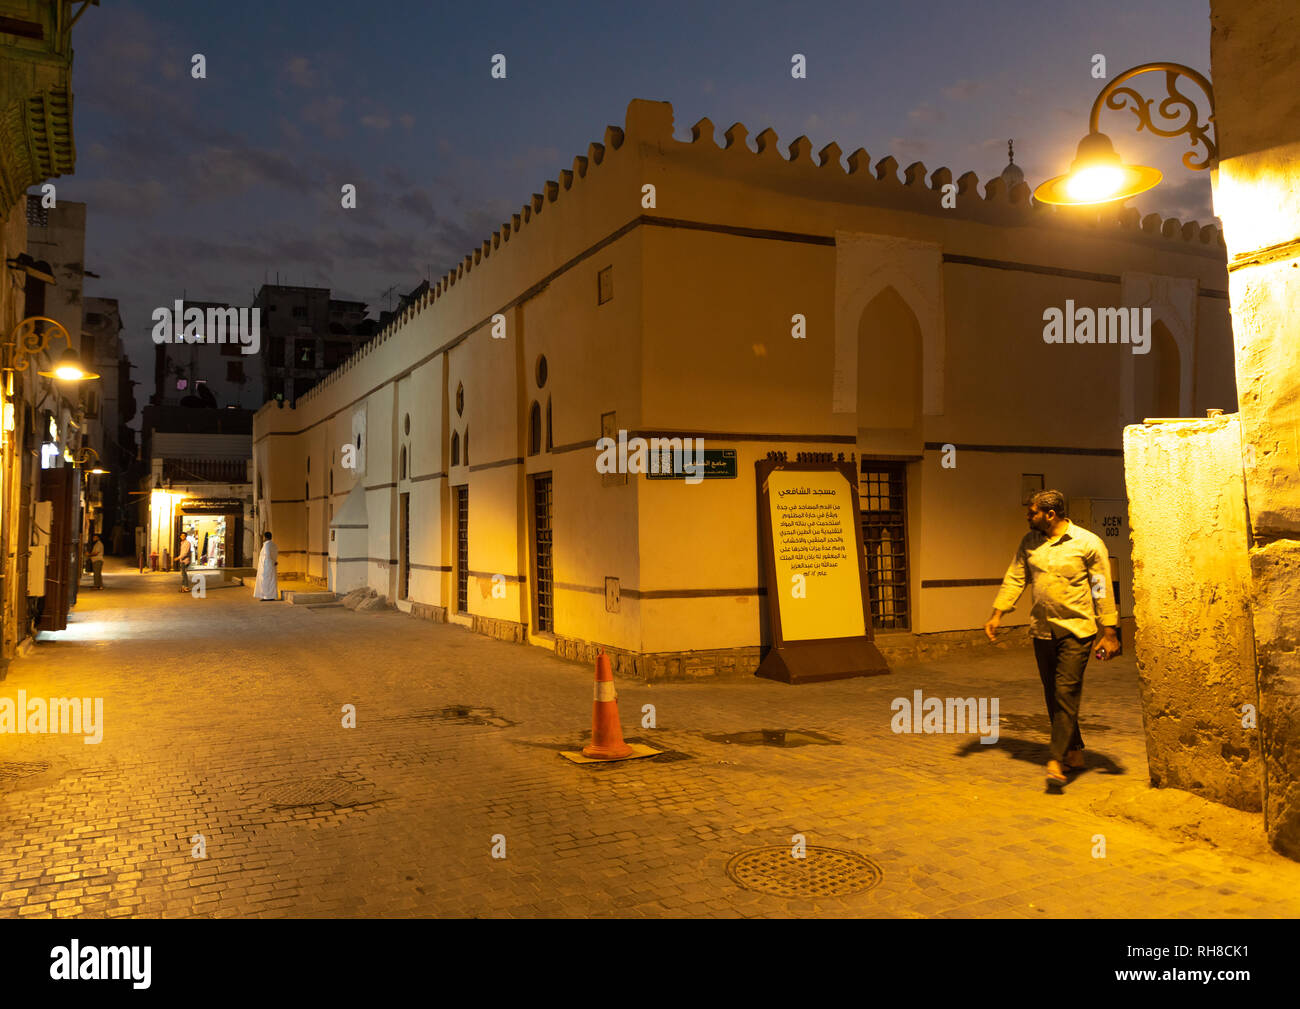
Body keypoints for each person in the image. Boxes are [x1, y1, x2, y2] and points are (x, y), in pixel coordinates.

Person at [984, 489, 1120, 788]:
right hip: (1042, 630)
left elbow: (1100, 587)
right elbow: (1015, 577)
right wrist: (997, 614)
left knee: (1065, 693)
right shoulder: (1029, 542)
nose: (1027, 517)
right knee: (1052, 693)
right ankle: (1075, 752)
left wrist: (1108, 630)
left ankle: (1055, 759)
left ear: (1050, 514)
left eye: (1031, 512)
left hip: (1077, 630)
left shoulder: (1087, 543)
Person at [253, 530, 278, 601]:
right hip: (272, 564)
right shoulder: (274, 544)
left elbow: (267, 555)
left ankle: (266, 596)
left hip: (266, 565)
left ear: (265, 537)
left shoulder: (267, 544)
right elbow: (275, 554)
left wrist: (270, 562)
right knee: (271, 580)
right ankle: (271, 595)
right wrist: (274, 561)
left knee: (265, 580)